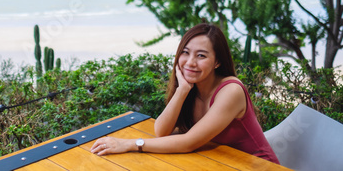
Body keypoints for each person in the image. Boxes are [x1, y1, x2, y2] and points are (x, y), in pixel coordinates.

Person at [90, 23, 279, 164]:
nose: (190, 62)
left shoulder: (230, 91)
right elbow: (161, 132)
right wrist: (182, 90)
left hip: (257, 166)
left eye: (201, 55)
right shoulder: (193, 89)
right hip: (219, 162)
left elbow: (188, 142)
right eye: (185, 52)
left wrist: (130, 144)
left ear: (217, 62)